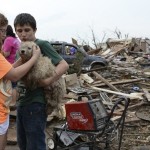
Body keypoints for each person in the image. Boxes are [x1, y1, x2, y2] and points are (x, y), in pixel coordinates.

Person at [14, 13, 69, 150]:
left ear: (35, 30)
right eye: (19, 31)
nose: (23, 34)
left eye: (27, 30)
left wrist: (47, 81)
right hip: (22, 103)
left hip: (36, 103)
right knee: (23, 143)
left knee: (35, 144)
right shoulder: (20, 50)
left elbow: (63, 65)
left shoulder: (41, 45)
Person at [0, 13, 41, 150]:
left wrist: (21, 60)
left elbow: (7, 70)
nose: (4, 35)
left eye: (4, 31)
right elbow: (14, 75)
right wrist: (34, 57)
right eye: (1, 31)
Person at [2, 25, 21, 106]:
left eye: (3, 31)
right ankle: (15, 101)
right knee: (15, 85)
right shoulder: (16, 39)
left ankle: (12, 103)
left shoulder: (8, 39)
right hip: (18, 63)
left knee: (12, 85)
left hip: (10, 64)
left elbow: (6, 53)